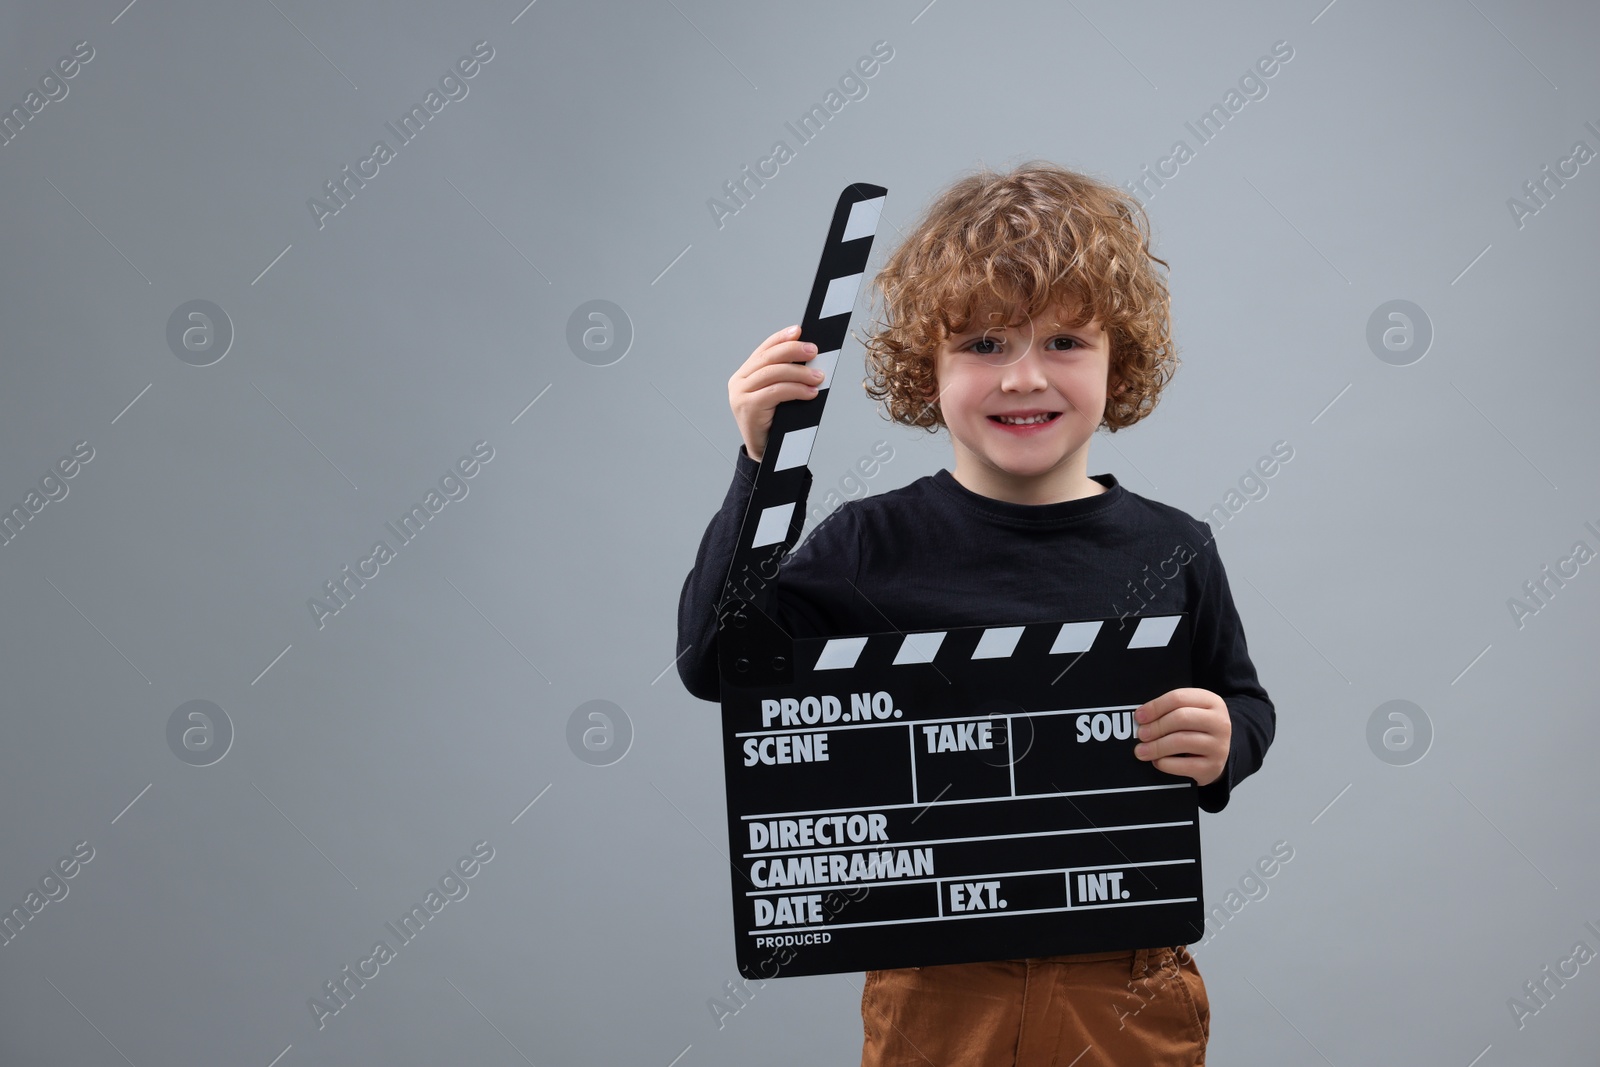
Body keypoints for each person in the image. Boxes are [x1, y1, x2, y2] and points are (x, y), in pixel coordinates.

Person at [675, 161, 1275, 1066]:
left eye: (1066, 341)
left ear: (1123, 357)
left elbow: (1244, 701)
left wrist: (1230, 736)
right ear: (928, 364)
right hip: (936, 982)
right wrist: (760, 468)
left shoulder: (1173, 549)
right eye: (984, 344)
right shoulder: (867, 545)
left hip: (1125, 977)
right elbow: (716, 662)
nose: (1023, 376)